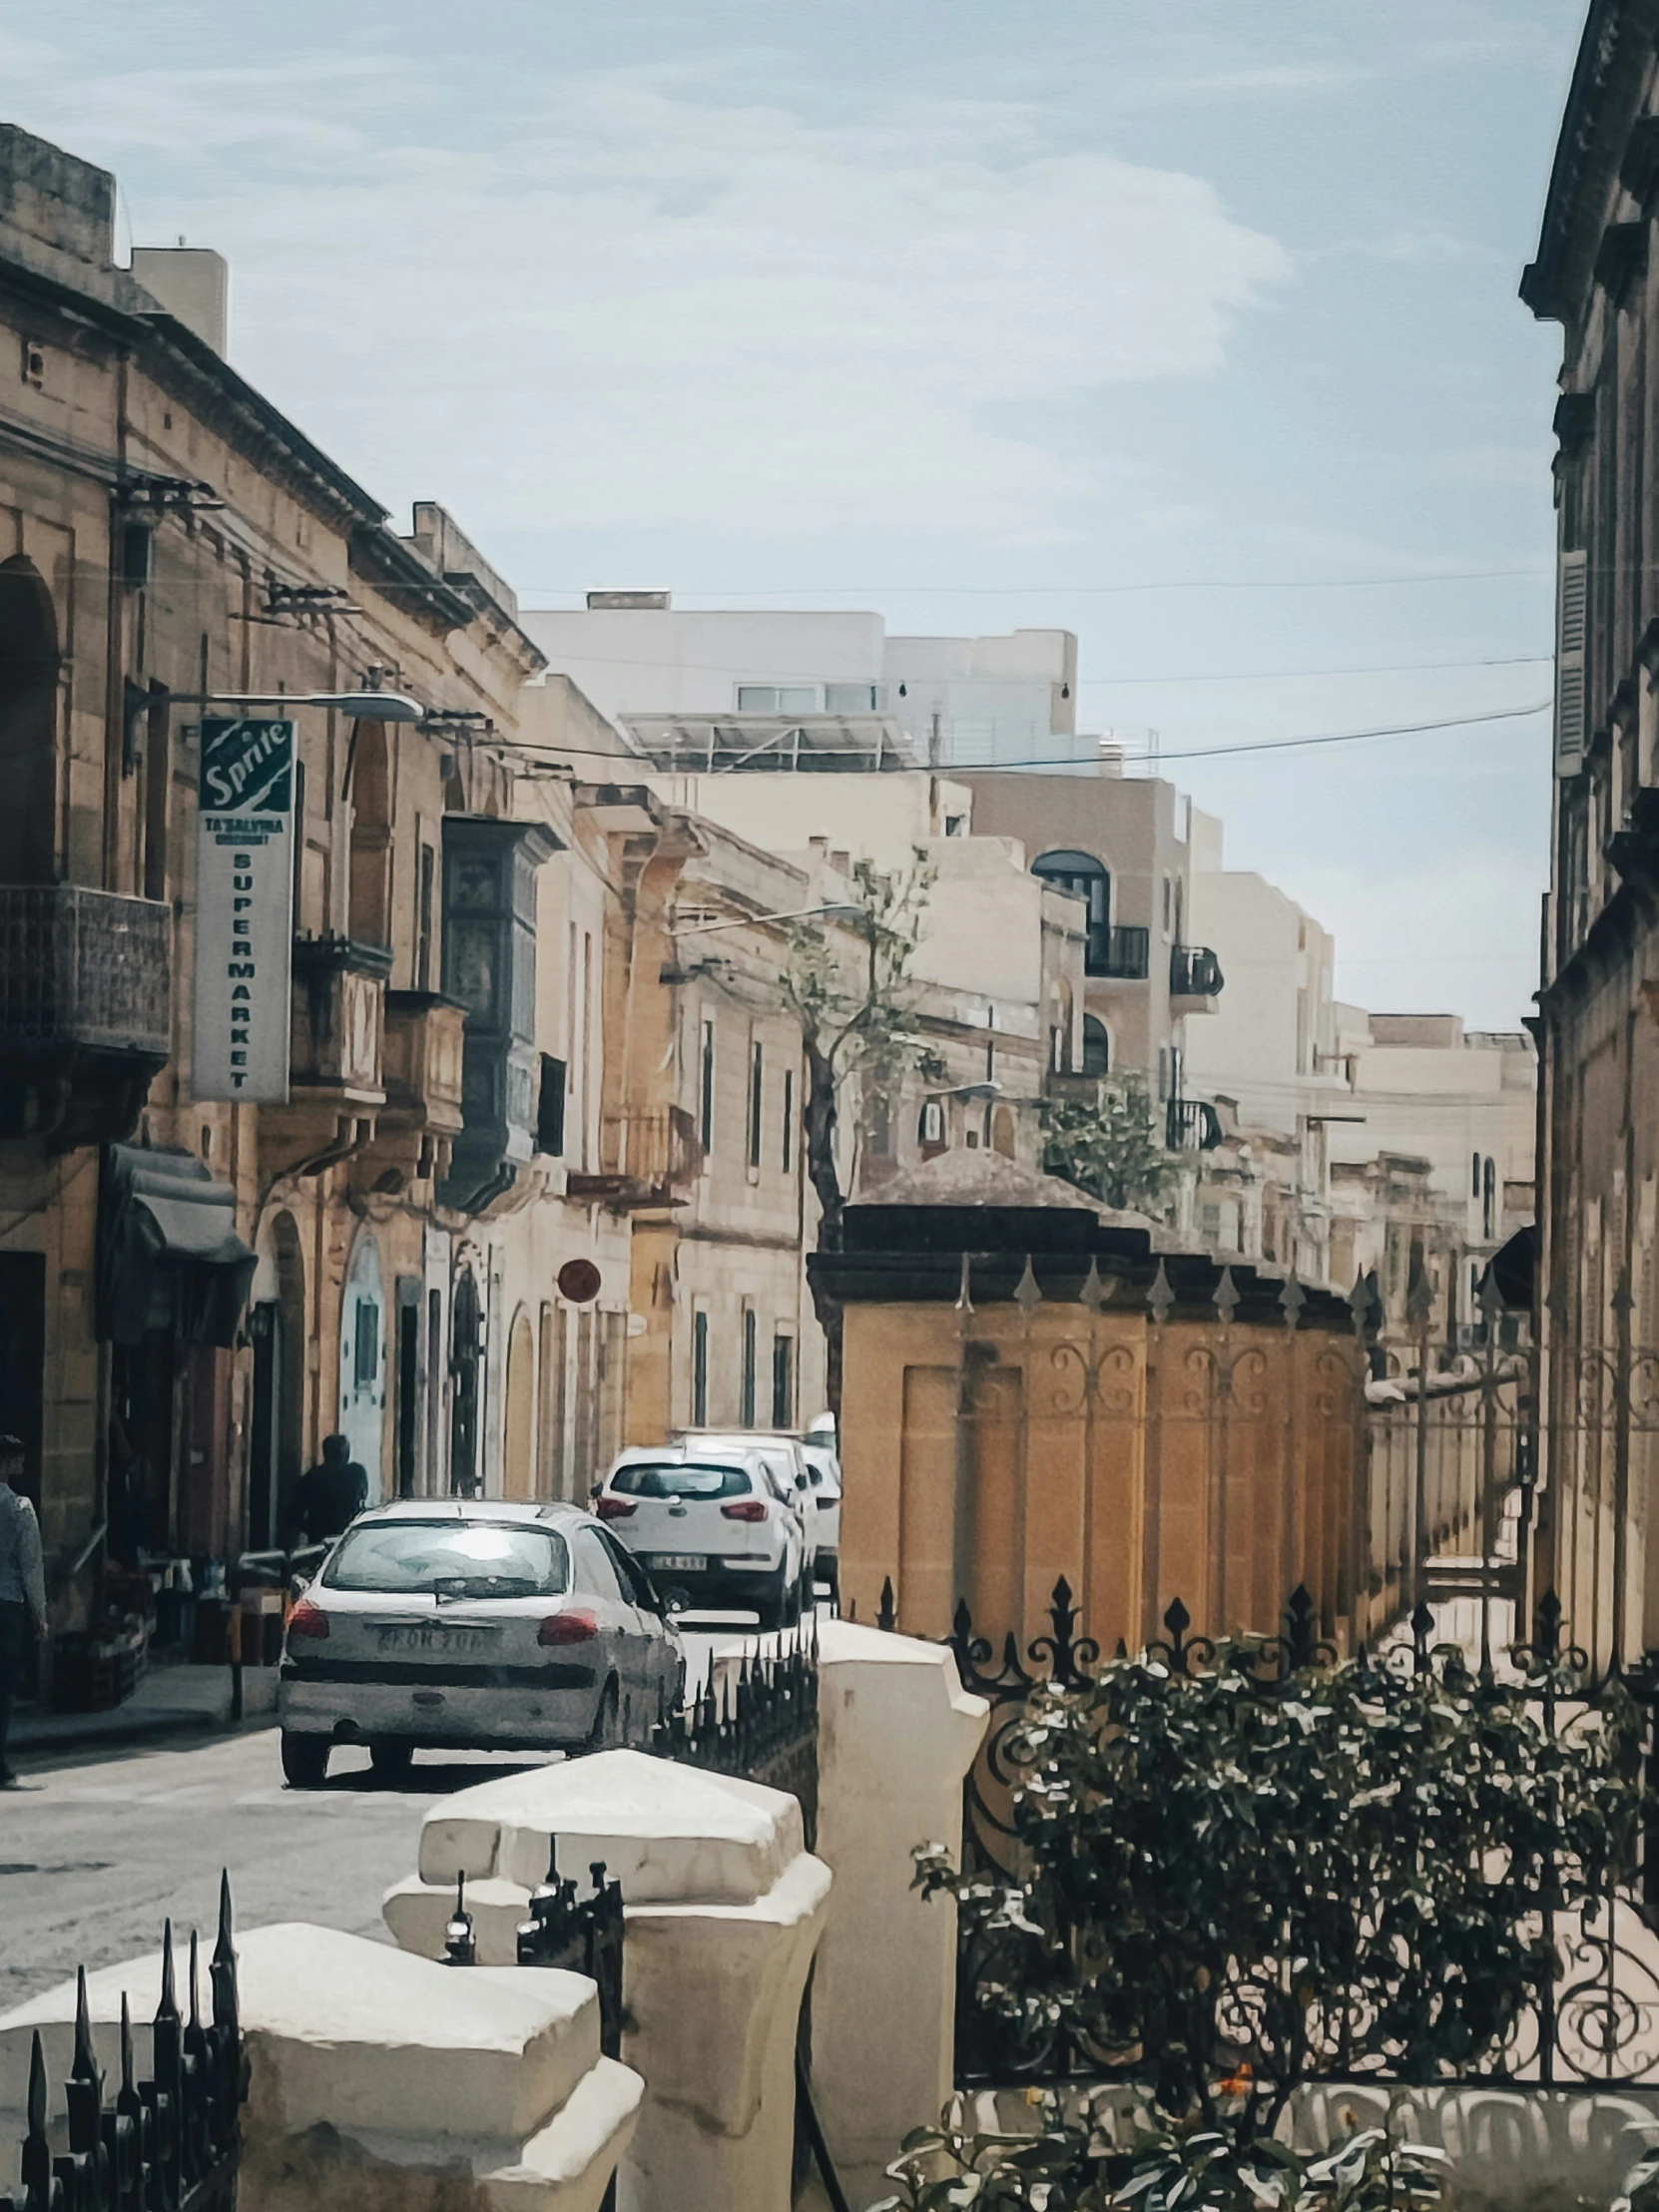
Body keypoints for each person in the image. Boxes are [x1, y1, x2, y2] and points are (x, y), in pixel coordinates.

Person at [0, 1435, 47, 1789]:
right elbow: (31, 1567)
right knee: (3, 1688)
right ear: (9, 1463)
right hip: (8, 1604)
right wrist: (39, 1613)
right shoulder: (19, 1508)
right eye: (18, 1461)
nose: (22, 1468)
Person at [288, 1434, 368, 1547]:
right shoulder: (356, 1473)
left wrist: (313, 1530)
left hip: (322, 1540)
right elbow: (362, 1498)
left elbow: (294, 1514)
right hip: (348, 1538)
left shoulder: (313, 1476)